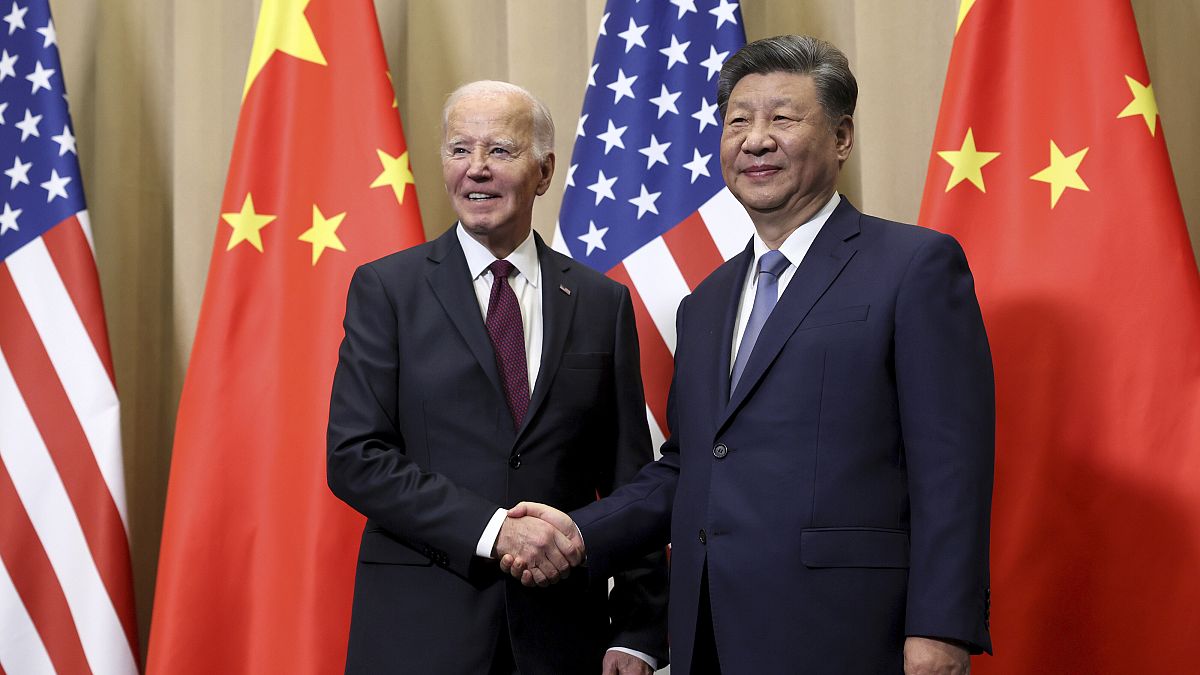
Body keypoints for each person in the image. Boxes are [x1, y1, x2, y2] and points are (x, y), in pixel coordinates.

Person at [505, 36, 994, 674]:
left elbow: (952, 466)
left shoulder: (915, 267)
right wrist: (577, 531)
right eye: (737, 121)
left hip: (851, 635)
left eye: (782, 119)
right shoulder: (704, 303)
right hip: (710, 634)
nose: (755, 140)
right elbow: (690, 465)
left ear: (842, 138)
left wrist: (940, 628)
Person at [327, 80, 667, 674]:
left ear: (544, 172)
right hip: (420, 631)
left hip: (561, 636)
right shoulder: (387, 289)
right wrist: (493, 532)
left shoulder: (600, 301)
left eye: (501, 151)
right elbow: (356, 456)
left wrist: (639, 628)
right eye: (460, 151)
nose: (476, 170)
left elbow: (628, 477)